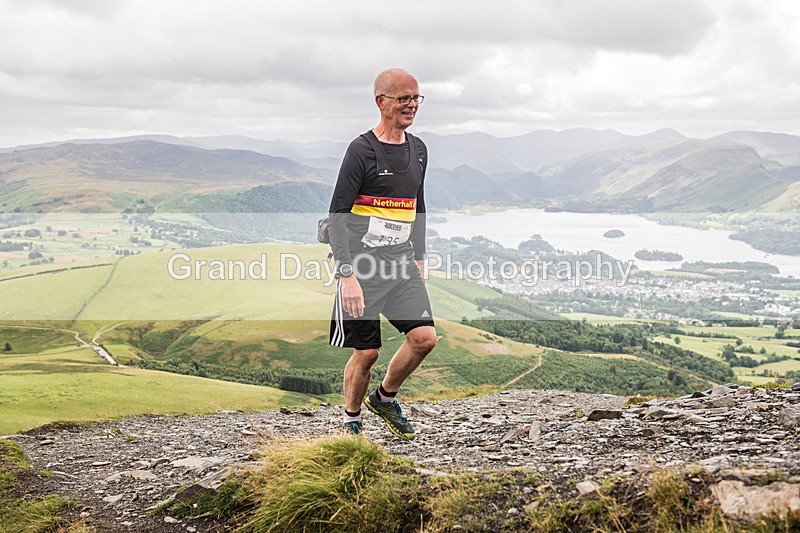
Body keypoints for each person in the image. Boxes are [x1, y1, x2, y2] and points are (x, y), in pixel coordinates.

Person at [326, 68, 437, 440]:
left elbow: (418, 206)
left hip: (402, 261)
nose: (411, 105)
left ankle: (385, 398)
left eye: (415, 98)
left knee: (424, 338)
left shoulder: (418, 149)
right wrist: (347, 277)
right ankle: (352, 420)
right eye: (403, 98)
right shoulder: (361, 150)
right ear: (381, 102)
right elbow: (337, 215)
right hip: (362, 264)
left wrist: (419, 258)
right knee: (367, 353)